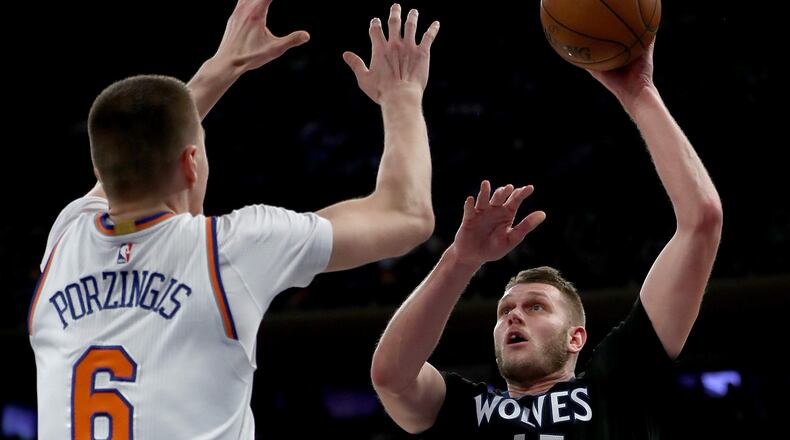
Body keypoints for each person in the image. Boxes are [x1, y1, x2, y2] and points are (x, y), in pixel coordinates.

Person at [28, 1, 440, 438]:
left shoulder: (67, 238)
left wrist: (221, 66)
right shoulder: (230, 249)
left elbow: (131, 151)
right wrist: (402, 95)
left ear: (98, 172)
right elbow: (406, 214)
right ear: (192, 162)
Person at [370, 41, 723, 439]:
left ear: (576, 337)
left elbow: (702, 221)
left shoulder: (612, 383)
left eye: (535, 307)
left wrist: (640, 93)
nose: (513, 316)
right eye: (505, 311)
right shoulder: (465, 408)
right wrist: (461, 259)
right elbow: (391, 377)